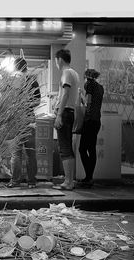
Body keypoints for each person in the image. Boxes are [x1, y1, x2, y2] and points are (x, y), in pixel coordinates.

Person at [6, 57, 41, 188]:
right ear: (26, 67)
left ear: (15, 67)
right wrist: (27, 103)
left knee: (16, 153)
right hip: (29, 119)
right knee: (31, 152)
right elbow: (37, 101)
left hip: (15, 119)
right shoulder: (32, 80)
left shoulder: (12, 80)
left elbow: (7, 101)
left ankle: (15, 182)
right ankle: (32, 182)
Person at [53, 49, 80, 190]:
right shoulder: (74, 73)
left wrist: (59, 114)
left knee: (64, 148)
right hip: (70, 112)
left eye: (56, 60)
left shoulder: (66, 73)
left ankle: (68, 182)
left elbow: (65, 93)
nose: (56, 63)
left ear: (60, 60)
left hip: (65, 113)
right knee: (67, 147)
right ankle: (69, 180)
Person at [78, 69, 104, 187]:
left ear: (87, 77)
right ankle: (89, 177)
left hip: (89, 121)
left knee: (82, 149)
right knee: (91, 149)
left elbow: (88, 103)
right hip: (97, 121)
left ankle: (88, 177)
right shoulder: (100, 87)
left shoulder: (89, 84)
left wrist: (80, 95)